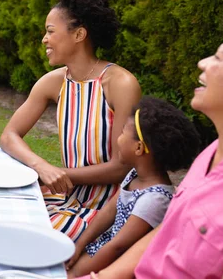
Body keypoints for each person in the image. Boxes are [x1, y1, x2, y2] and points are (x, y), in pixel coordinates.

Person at [0, 0, 141, 240]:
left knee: (23, 239)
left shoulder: (120, 84)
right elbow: (9, 135)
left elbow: (121, 166)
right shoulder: (53, 82)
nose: (44, 39)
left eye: (50, 31)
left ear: (78, 35)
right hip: (67, 199)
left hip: (104, 210)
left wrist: (61, 176)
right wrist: (41, 166)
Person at [80, 39, 223, 279]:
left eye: (220, 58)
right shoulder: (210, 155)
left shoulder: (156, 196)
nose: (202, 62)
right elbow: (164, 233)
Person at [65, 96, 200, 277]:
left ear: (138, 148)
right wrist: (80, 243)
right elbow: (108, 212)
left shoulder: (155, 199)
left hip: (117, 267)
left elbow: (119, 247)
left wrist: (77, 272)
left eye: (122, 133)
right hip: (102, 249)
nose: (118, 139)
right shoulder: (135, 174)